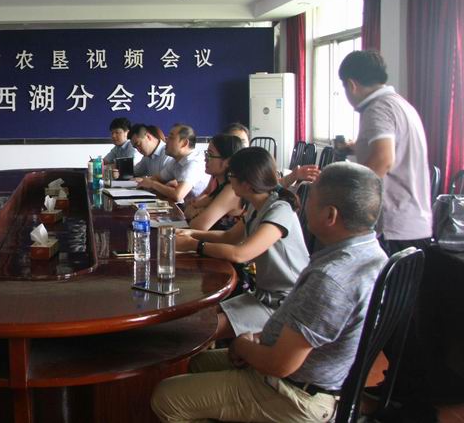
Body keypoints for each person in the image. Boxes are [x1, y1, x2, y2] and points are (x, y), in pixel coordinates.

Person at [151, 162, 387, 423]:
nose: (303, 206)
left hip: (296, 394)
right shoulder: (372, 254)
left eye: (311, 199)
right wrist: (257, 339)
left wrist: (242, 344)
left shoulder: (331, 278)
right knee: (198, 363)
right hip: (303, 372)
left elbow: (279, 364)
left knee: (166, 397)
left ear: (330, 215)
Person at [176, 147, 309, 339]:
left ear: (246, 184)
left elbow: (240, 254)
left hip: (286, 304)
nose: (229, 180)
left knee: (197, 330)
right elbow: (229, 237)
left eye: (231, 175)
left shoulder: (279, 210)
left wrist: (193, 245)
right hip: (264, 295)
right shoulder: (258, 206)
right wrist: (191, 234)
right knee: (195, 316)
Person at [338, 50, 432, 254]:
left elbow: (383, 159)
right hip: (414, 221)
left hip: (394, 224)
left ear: (351, 85)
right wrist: (357, 146)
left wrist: (347, 198)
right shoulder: (400, 104)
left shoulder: (377, 108)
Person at [182, 133, 246, 234]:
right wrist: (197, 210)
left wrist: (198, 211)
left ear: (227, 162)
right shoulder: (219, 184)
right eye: (206, 154)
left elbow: (198, 226)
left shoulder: (231, 190)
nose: (205, 159)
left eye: (210, 155)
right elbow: (188, 210)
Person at [136, 124, 207, 203]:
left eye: (171, 138)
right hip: (189, 207)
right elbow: (158, 178)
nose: (166, 141)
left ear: (184, 143)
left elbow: (178, 195)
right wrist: (145, 182)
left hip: (201, 208)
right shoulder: (176, 161)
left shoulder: (193, 163)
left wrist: (152, 184)